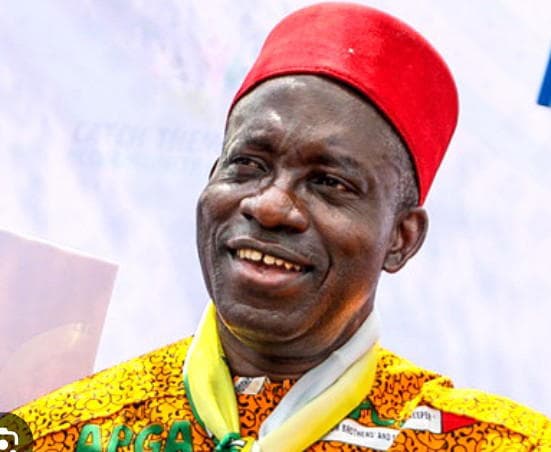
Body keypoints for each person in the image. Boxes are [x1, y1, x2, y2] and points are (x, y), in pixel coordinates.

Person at [13, 2, 551, 451]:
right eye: (248, 165)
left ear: (401, 238)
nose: (270, 206)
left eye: (330, 182)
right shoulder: (59, 434)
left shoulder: (495, 444)